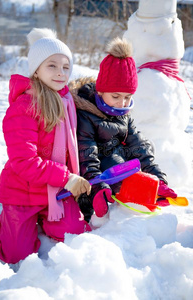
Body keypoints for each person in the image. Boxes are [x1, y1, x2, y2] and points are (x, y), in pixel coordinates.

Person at [0, 28, 92, 265]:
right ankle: (7, 224)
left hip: (55, 191)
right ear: (36, 70)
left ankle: (46, 219)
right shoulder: (23, 107)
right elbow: (25, 162)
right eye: (52, 65)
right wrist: (67, 178)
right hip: (22, 191)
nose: (61, 73)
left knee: (76, 235)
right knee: (17, 256)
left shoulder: (68, 102)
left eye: (65, 67)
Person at [69, 37, 177, 222]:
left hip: (120, 171)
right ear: (100, 91)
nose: (122, 103)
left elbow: (138, 146)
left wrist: (156, 177)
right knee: (111, 158)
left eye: (127, 97)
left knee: (144, 144)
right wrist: (97, 188)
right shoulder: (86, 115)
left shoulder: (122, 114)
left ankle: (148, 189)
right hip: (92, 177)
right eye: (116, 96)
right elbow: (86, 155)